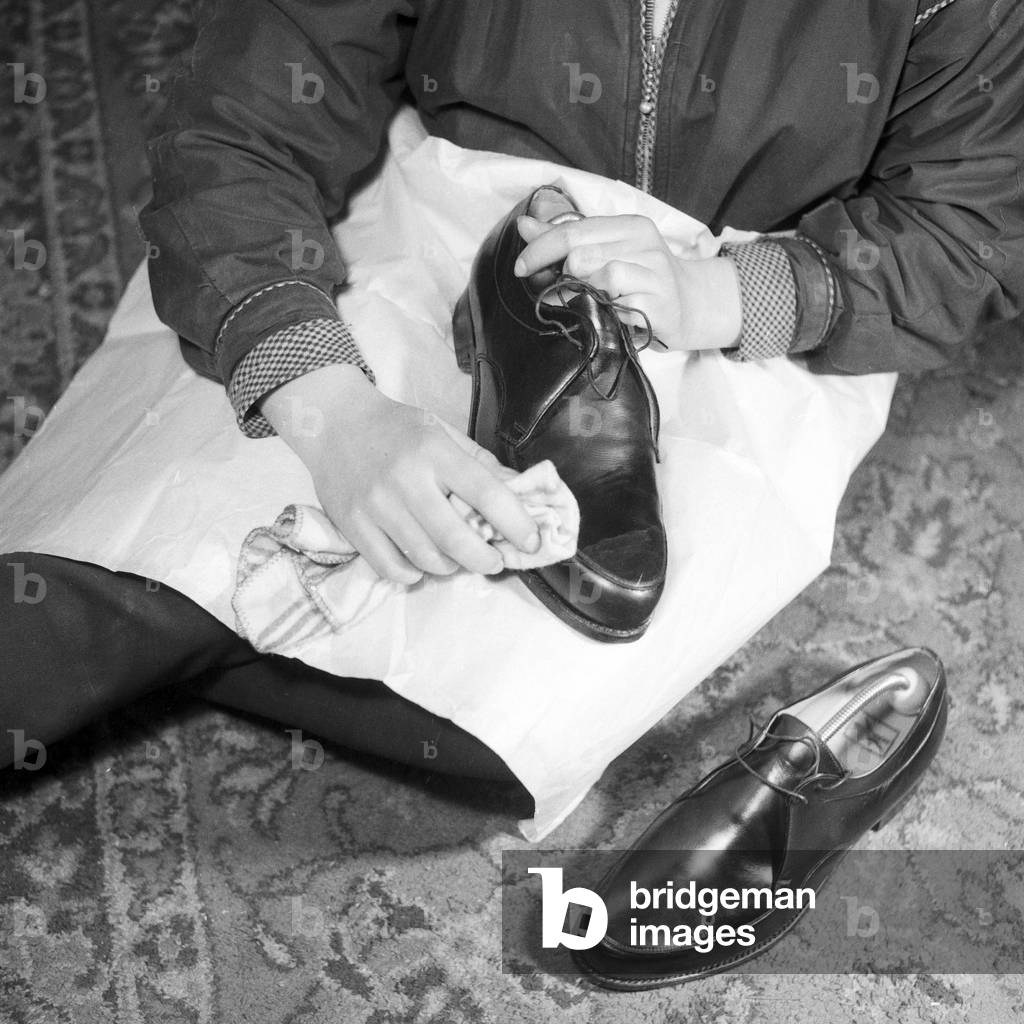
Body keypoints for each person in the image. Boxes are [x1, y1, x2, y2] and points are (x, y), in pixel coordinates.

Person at [3, 0, 1021, 777]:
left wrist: (725, 292)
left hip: (744, 301)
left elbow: (967, 227)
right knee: (102, 576)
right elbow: (237, 125)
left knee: (513, 697)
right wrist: (330, 406)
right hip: (428, 212)